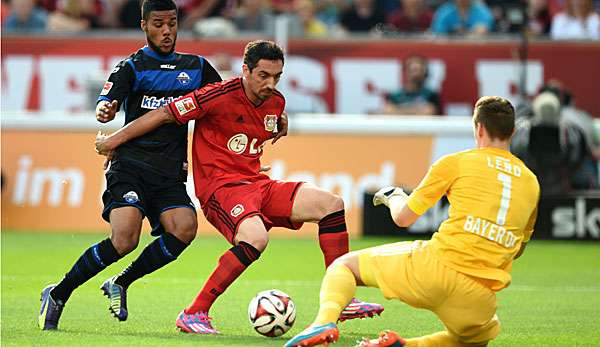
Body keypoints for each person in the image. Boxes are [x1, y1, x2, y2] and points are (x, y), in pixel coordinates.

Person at [95, 39, 384, 335]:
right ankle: (194, 313)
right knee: (255, 238)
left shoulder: (276, 102)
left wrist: (277, 126)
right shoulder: (217, 95)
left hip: (257, 183)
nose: (271, 83)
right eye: (263, 76)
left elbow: (261, 127)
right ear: (245, 70)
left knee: (331, 204)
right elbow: (164, 114)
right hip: (221, 189)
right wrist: (113, 141)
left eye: (276, 77)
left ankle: (343, 298)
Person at [285, 96, 540, 347]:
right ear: (513, 131)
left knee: (343, 267)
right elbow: (517, 250)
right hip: (478, 295)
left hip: (435, 268)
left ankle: (323, 322)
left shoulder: (457, 163)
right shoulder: (531, 183)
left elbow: (403, 217)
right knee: (473, 340)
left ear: (479, 127)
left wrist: (394, 196)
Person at [38, 0, 226, 330]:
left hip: (168, 172)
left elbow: (224, 102)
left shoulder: (197, 67)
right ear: (144, 25)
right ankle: (58, 293)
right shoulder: (132, 66)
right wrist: (105, 110)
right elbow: (107, 100)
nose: (166, 31)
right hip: (130, 166)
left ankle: (121, 282)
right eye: (158, 24)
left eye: (171, 23)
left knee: (184, 228)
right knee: (125, 239)